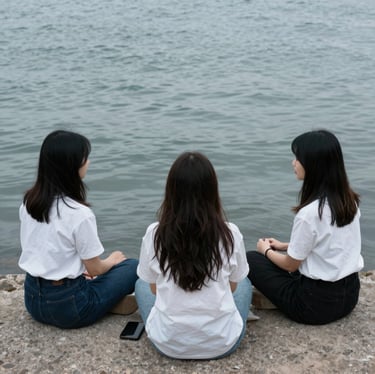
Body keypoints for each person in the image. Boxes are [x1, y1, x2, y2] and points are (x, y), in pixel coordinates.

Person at [135, 152, 252, 359]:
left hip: (168, 344)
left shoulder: (155, 233)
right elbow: (232, 286)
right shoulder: (230, 233)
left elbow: (154, 289)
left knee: (141, 285)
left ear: (171, 191)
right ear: (212, 190)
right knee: (244, 283)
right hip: (223, 343)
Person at [18, 130, 138, 329]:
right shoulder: (79, 213)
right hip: (70, 307)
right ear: (71, 166)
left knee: (84, 273)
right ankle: (105, 303)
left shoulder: (28, 203)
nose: (88, 162)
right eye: (85, 158)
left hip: (32, 299)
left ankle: (103, 299)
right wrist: (113, 259)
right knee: (132, 266)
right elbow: (95, 269)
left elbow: (46, 250)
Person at [247, 129, 364, 325]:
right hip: (349, 296)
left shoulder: (310, 213)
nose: (293, 163)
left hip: (313, 306)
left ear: (313, 165)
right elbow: (333, 243)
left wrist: (265, 250)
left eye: (297, 158)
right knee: (291, 262)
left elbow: (290, 265)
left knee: (252, 259)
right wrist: (286, 245)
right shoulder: (349, 201)